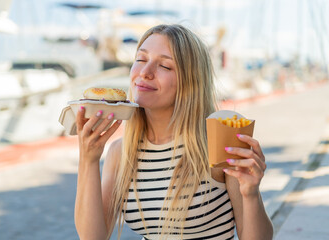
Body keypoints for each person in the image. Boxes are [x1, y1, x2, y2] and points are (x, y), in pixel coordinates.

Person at [74, 24, 273, 240]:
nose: (145, 72)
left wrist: (251, 193)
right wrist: (88, 158)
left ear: (191, 82)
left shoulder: (218, 144)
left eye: (165, 66)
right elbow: (92, 237)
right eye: (141, 60)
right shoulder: (120, 153)